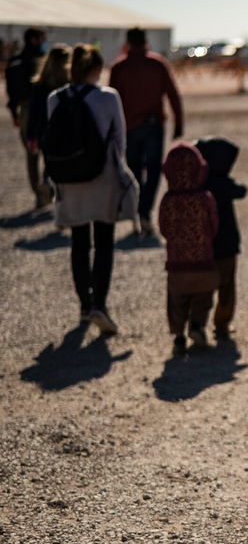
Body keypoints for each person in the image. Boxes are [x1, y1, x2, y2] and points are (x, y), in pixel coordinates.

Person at [45, 44, 139, 334]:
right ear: (97, 69)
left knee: (79, 243)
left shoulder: (55, 98)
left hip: (69, 180)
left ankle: (84, 306)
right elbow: (120, 141)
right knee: (104, 243)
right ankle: (100, 303)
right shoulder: (108, 97)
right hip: (102, 178)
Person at [108, 27, 184, 236]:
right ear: (145, 41)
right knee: (153, 171)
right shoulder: (157, 64)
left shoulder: (119, 67)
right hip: (153, 126)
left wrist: (112, 130)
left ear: (128, 42)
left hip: (129, 128)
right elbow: (173, 94)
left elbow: (111, 103)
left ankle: (137, 212)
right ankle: (144, 212)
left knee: (134, 172)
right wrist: (178, 123)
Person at [157, 142, 219, 356]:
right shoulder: (205, 198)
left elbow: (163, 228)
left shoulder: (168, 200)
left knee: (177, 300)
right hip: (203, 257)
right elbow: (214, 225)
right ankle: (197, 326)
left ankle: (179, 337)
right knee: (203, 296)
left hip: (176, 262)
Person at [195, 137, 248, 339]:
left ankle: (198, 322)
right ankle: (222, 323)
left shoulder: (200, 182)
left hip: (203, 243)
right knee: (227, 287)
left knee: (203, 286)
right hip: (227, 244)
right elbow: (242, 191)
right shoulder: (224, 184)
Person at [23, 44, 72, 206]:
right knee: (61, 162)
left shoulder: (40, 84)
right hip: (63, 130)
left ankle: (45, 182)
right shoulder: (68, 85)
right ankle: (53, 186)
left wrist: (30, 136)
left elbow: (33, 112)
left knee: (47, 158)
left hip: (43, 129)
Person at [5, 27, 49, 208]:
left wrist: (14, 113)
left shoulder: (15, 62)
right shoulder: (43, 61)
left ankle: (39, 194)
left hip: (24, 110)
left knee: (31, 154)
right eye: (42, 38)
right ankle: (46, 186)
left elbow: (10, 92)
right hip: (44, 109)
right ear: (34, 40)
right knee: (49, 151)